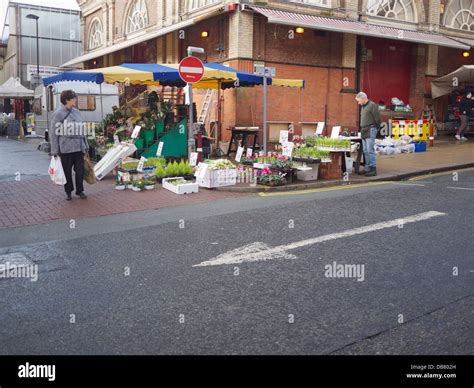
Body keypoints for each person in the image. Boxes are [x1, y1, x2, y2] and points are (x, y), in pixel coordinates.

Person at [50, 90, 89, 200]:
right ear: (67, 100)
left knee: (80, 171)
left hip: (78, 146)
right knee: (67, 172)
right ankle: (68, 191)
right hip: (65, 148)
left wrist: (85, 145)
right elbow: (54, 133)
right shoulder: (58, 114)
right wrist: (55, 151)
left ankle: (80, 190)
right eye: (73, 98)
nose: (75, 99)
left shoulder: (77, 112)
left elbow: (82, 130)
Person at [355, 92, 381, 177]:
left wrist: (376, 128)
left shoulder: (372, 105)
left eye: (358, 101)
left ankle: (373, 169)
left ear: (363, 98)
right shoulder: (363, 107)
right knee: (365, 151)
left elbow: (378, 118)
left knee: (370, 150)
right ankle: (367, 169)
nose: (358, 103)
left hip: (371, 129)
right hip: (364, 129)